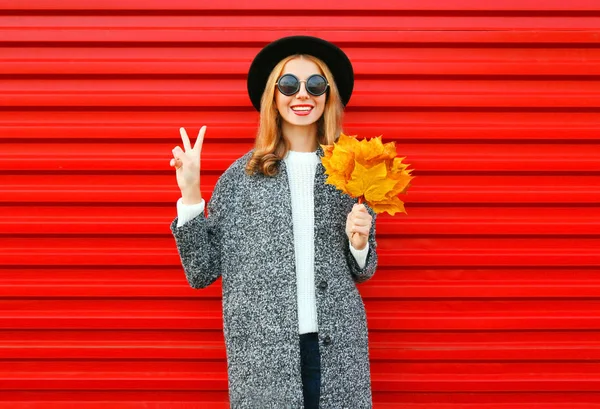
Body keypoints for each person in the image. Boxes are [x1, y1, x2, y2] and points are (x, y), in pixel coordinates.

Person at [169, 35, 378, 409]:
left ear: (328, 95)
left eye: (315, 85)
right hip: (263, 355)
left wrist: (359, 244)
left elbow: (362, 271)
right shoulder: (240, 177)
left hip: (336, 346)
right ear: (274, 95)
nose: (302, 95)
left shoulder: (350, 172)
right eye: (289, 84)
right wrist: (190, 195)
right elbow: (201, 271)